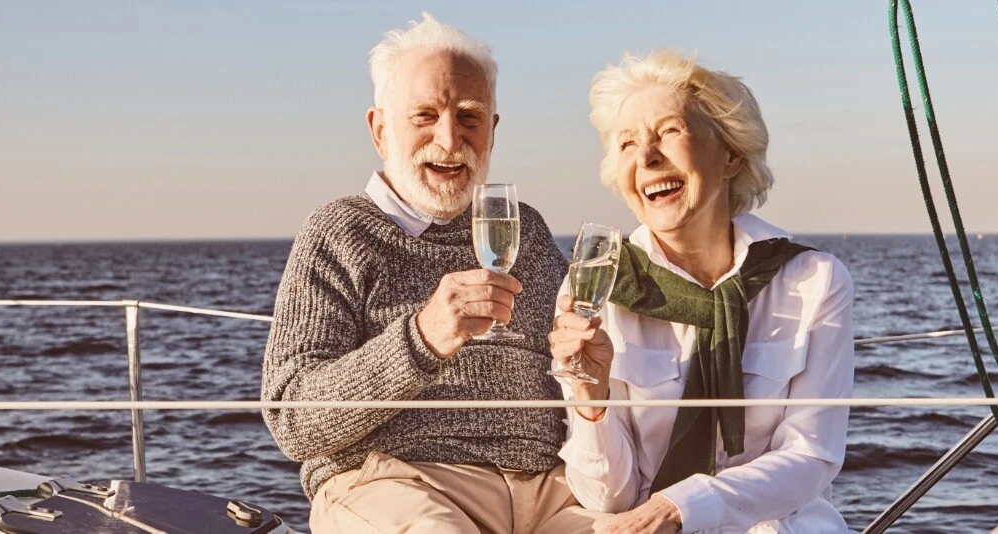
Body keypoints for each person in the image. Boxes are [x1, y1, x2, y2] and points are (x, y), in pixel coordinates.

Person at [261, 13, 599, 533]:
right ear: (379, 129)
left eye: (469, 117)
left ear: (493, 129)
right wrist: (423, 338)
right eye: (425, 115)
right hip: (399, 483)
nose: (449, 138)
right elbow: (291, 419)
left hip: (553, 490)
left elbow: (572, 368)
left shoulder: (522, 229)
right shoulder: (338, 232)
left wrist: (585, 363)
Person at [548, 50, 856, 533]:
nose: (647, 156)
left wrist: (684, 506)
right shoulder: (598, 285)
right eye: (627, 143)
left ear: (731, 154)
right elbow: (609, 497)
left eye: (668, 131)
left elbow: (812, 454)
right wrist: (591, 399)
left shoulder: (814, 280)